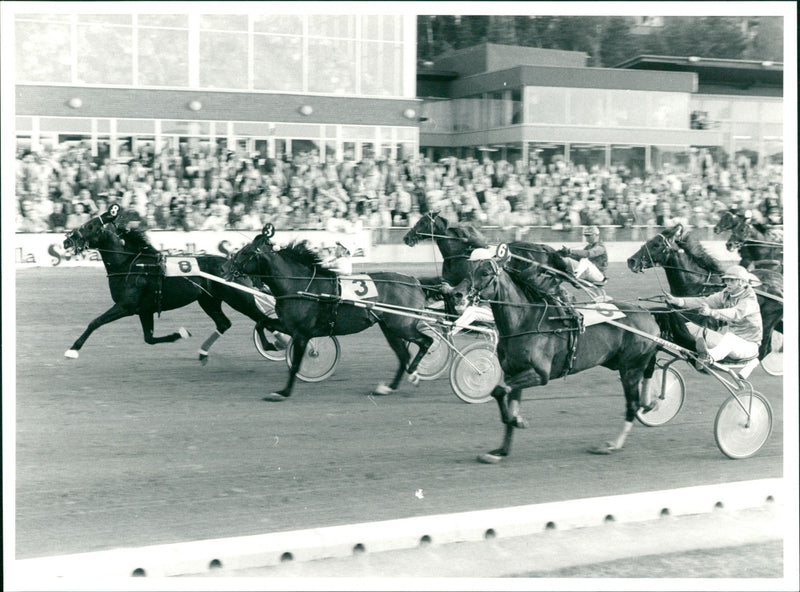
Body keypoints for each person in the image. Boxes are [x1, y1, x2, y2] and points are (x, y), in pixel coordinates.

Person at [664, 265, 762, 370]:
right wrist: (678, 301)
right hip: (729, 343)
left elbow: (735, 314)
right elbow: (704, 301)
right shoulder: (725, 294)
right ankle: (696, 352)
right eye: (726, 280)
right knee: (689, 327)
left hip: (749, 348)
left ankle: (709, 358)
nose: (728, 283)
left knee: (730, 338)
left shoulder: (749, 300)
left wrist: (711, 312)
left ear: (741, 282)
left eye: (732, 281)